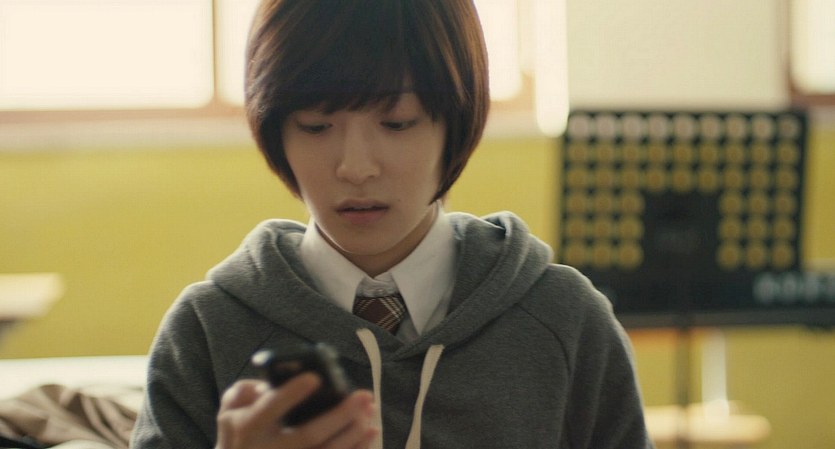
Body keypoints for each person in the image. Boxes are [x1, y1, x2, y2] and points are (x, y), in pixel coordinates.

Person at [130, 0, 654, 448]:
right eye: (315, 126)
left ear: (456, 123)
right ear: (275, 132)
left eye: (397, 123)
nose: (355, 167)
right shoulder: (207, 331)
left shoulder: (565, 321)